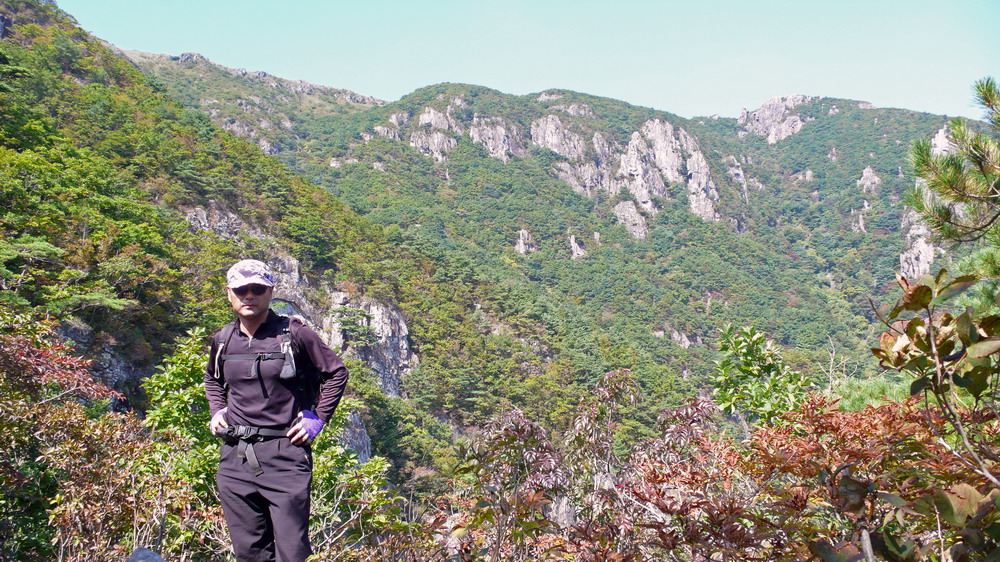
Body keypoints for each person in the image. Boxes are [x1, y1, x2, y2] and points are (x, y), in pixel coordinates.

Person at [204, 259, 349, 561]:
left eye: (257, 289)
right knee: (250, 552)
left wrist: (318, 419)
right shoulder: (224, 339)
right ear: (229, 293)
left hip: (285, 452)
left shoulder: (294, 333)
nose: (249, 296)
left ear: (271, 292)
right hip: (235, 456)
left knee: (292, 552)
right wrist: (217, 410)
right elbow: (212, 378)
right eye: (241, 289)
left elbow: (336, 373)